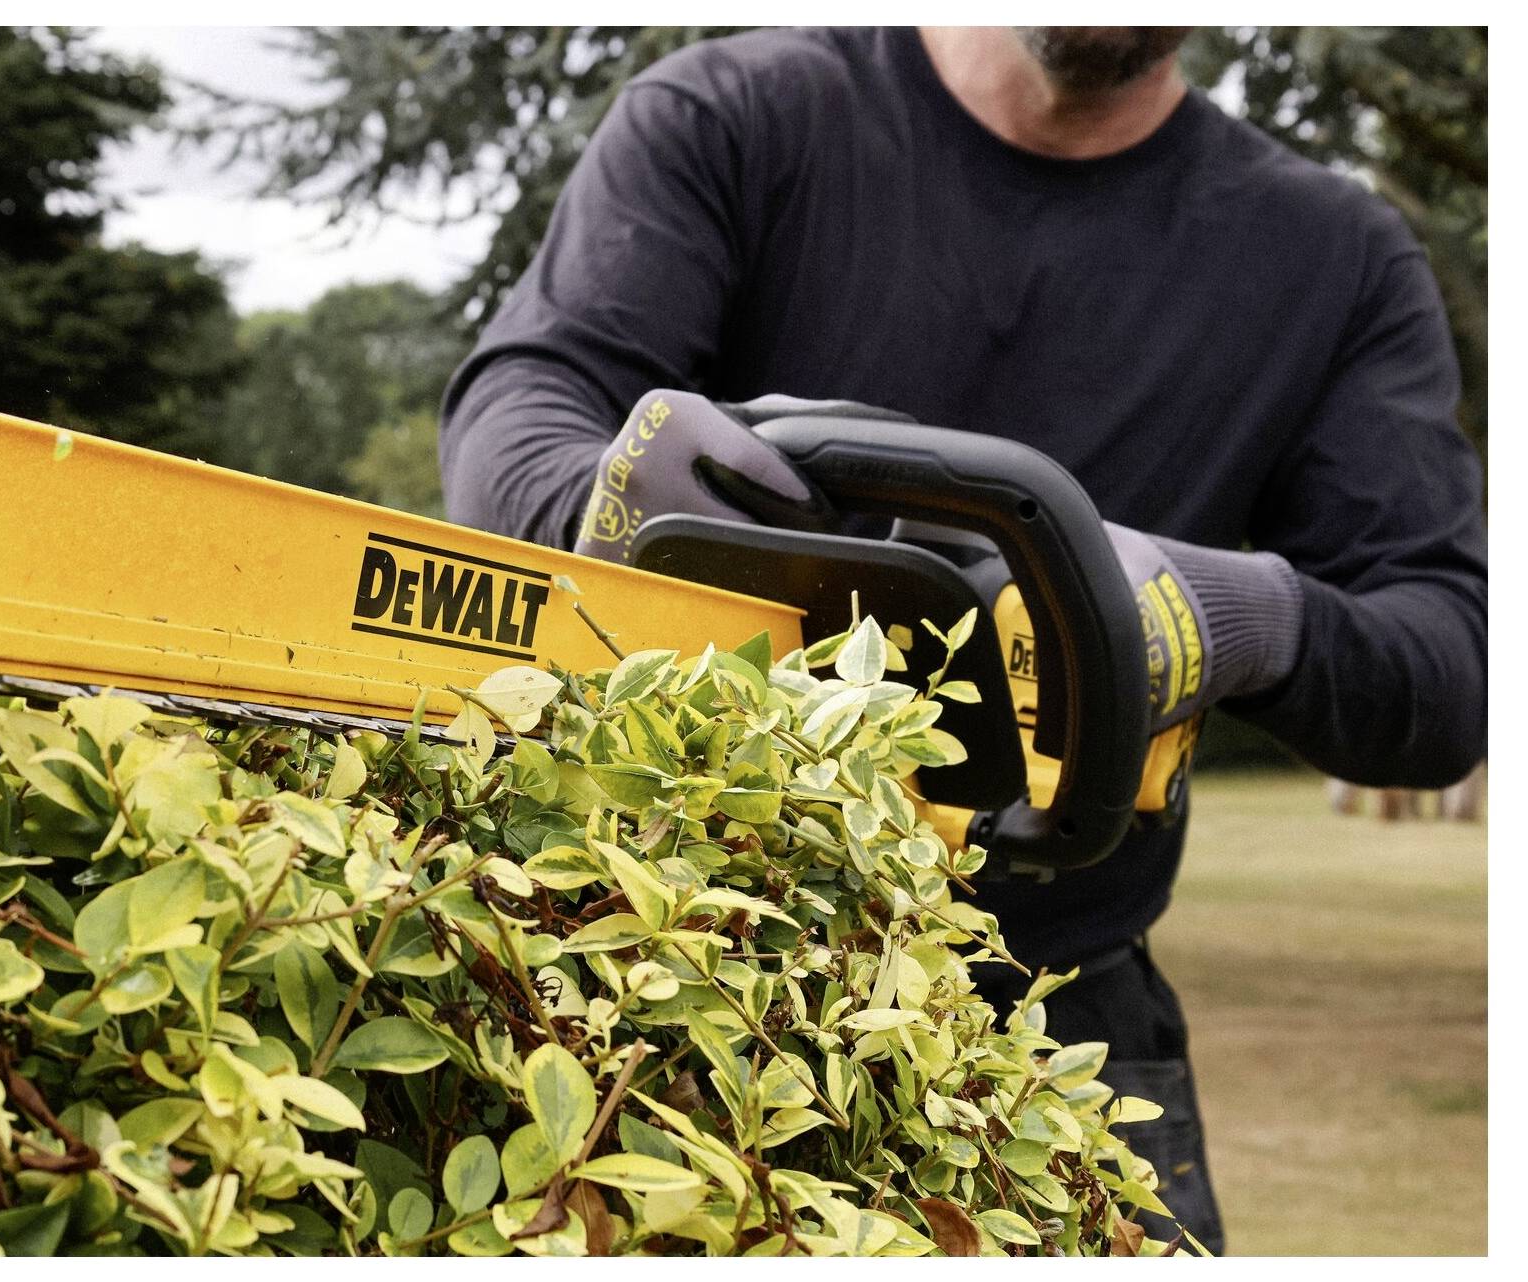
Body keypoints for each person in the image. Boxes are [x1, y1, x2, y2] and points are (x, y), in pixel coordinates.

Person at [438, 26, 1487, 1254]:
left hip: (1058, 1022)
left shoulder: (1333, 258)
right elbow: (518, 404)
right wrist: (603, 493)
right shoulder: (738, 118)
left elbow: (1452, 659)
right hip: (666, 992)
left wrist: (1243, 616)